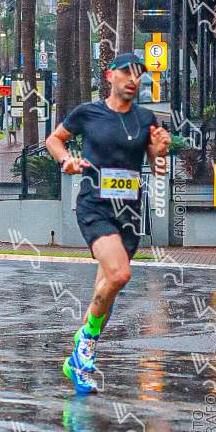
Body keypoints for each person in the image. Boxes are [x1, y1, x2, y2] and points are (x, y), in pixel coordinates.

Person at [45, 53, 171, 394]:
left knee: (107, 291)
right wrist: (66, 160)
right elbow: (54, 139)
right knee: (119, 275)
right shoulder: (88, 113)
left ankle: (77, 364)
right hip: (95, 206)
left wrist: (160, 152)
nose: (133, 79)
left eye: (139, 75)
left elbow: (156, 169)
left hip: (129, 212)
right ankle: (85, 339)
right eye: (127, 72)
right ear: (110, 76)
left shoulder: (146, 119)